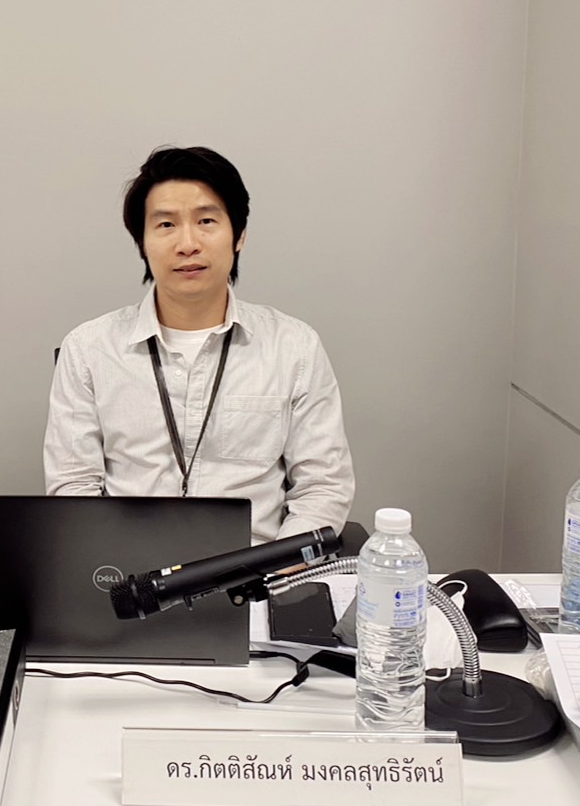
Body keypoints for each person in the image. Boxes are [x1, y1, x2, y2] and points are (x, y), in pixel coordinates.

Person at [44, 145, 354, 544]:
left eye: (206, 220)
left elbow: (323, 488)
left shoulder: (294, 348)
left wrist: (277, 567)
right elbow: (73, 487)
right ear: (142, 243)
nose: (187, 243)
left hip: (257, 570)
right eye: (166, 225)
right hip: (131, 573)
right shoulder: (88, 349)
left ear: (239, 235)